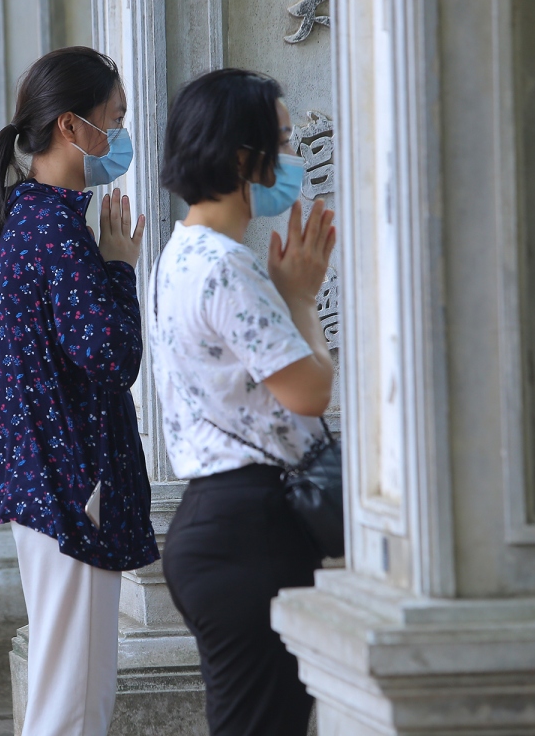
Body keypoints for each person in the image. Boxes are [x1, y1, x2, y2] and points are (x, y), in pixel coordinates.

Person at [0, 46, 158, 736]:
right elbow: (112, 357)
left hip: (51, 480)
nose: (121, 136)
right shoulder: (55, 230)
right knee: (72, 703)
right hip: (70, 484)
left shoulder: (35, 216)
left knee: (71, 690)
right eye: (115, 119)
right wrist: (117, 270)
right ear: (73, 128)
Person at [149, 68, 336, 735]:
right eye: (281, 141)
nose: (291, 156)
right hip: (244, 533)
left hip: (222, 528)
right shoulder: (226, 265)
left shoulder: (181, 252)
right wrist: (304, 300)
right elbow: (310, 391)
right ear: (239, 156)